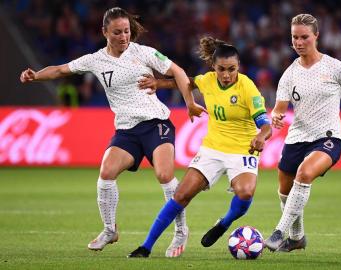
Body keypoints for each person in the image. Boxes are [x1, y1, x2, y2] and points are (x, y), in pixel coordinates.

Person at [20, 7, 205, 258]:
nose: (124, 37)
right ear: (105, 32)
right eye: (117, 32)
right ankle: (110, 230)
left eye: (127, 31)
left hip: (155, 123)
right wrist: (36, 76)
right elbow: (62, 70)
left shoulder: (143, 53)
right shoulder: (96, 59)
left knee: (164, 174)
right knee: (106, 173)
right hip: (127, 130)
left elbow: (178, 72)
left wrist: (189, 102)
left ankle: (181, 230)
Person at [127, 36, 272, 257]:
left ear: (238, 67)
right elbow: (185, 81)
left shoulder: (248, 87)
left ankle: (223, 223)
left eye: (231, 69)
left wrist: (261, 136)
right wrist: (159, 83)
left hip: (243, 149)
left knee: (245, 192)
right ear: (214, 67)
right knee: (181, 195)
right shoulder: (207, 80)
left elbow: (265, 123)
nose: (226, 75)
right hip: (212, 148)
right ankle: (145, 247)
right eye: (221, 69)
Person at [264, 14, 341, 252]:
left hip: (328, 137)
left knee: (304, 174)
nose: (298, 42)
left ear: (316, 36)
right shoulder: (289, 75)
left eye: (304, 37)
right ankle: (297, 238)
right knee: (285, 190)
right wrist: (275, 117)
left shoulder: (336, 67)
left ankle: (279, 232)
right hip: (297, 138)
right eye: (294, 37)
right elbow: (279, 109)